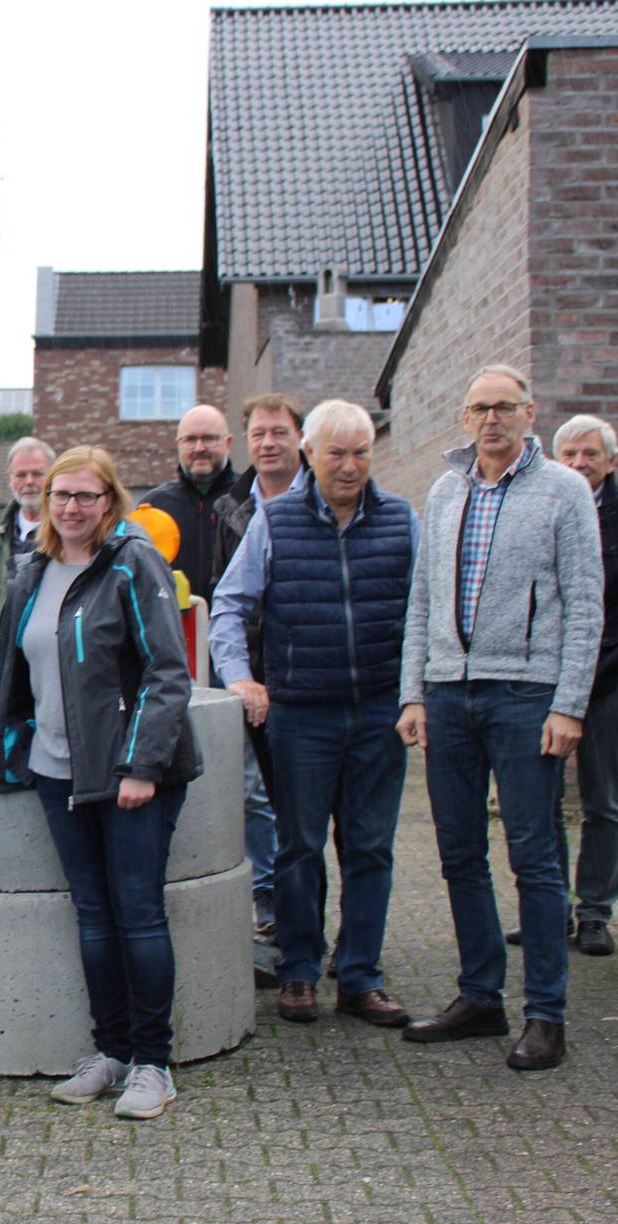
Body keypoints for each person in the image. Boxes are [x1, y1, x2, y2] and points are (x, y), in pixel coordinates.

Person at [0, 445, 200, 1120]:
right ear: (43, 502)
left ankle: (153, 1064)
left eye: (85, 495)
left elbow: (169, 672)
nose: (72, 507)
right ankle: (110, 1049)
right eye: (60, 495)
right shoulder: (32, 572)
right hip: (56, 771)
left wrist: (140, 766)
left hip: (130, 773)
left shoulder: (133, 564)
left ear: (110, 502)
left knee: (138, 912)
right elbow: (9, 660)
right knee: (95, 916)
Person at [397, 364, 602, 1071]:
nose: (491, 419)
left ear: (529, 412)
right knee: (458, 855)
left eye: (504, 407)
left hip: (526, 695)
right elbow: (422, 600)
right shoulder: (447, 489)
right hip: (450, 692)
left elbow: (586, 602)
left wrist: (570, 703)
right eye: (479, 407)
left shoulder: (565, 491)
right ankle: (480, 996)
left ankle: (546, 1013)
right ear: (464, 417)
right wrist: (413, 692)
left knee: (534, 857)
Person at [211, 401, 418, 1027]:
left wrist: (416, 695)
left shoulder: (403, 520)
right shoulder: (274, 521)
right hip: (301, 714)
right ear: (312, 454)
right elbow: (228, 606)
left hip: (379, 711)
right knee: (299, 847)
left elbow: (423, 613)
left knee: (369, 847)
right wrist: (241, 679)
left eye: (361, 453)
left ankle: (359, 976)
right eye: (337, 453)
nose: (350, 466)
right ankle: (299, 971)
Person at [525, 414, 618, 957]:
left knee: (601, 801)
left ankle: (594, 912)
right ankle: (550, 910)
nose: (578, 463)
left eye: (590, 454)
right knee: (540, 801)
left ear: (611, 461)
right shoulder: (541, 508)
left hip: (609, 679)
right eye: (569, 453)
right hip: (544, 677)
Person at [212, 394, 306, 933]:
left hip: (309, 674)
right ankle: (274, 903)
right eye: (259, 434)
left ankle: (310, 928)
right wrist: (237, 673)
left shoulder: (320, 497)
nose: (268, 443)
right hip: (250, 677)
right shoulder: (233, 507)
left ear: (300, 438)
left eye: (279, 432)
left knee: (309, 812)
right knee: (258, 794)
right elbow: (226, 596)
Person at [141, 404, 242, 605]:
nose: (199, 448)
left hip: (238, 630)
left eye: (209, 438)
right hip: (174, 630)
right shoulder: (153, 507)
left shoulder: (249, 498)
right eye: (190, 439)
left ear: (228, 442)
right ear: (178, 444)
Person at [0, 436, 55, 633]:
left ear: (53, 476)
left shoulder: (66, 532)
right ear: (10, 479)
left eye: (37, 474)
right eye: (21, 475)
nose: (29, 482)